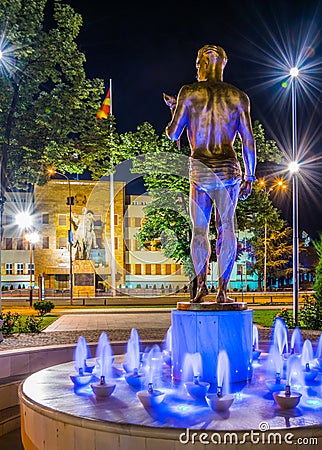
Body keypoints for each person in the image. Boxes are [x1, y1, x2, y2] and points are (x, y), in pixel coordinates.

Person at [164, 44, 256, 303]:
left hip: (201, 170)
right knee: (227, 227)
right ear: (222, 65)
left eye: (197, 66)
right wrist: (250, 175)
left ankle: (202, 285)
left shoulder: (189, 93)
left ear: (202, 64)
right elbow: (248, 140)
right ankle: (223, 291)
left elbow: (173, 134)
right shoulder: (239, 97)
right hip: (228, 169)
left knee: (199, 230)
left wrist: (175, 110)